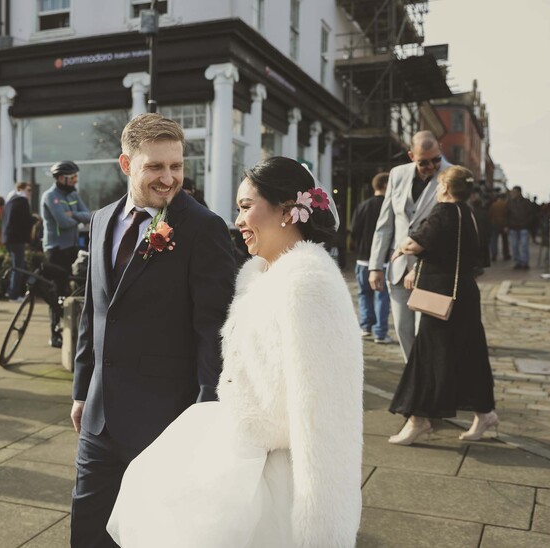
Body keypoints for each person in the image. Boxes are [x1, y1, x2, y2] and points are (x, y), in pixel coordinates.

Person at [107, 156, 363, 547]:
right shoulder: (262, 275)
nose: (238, 220)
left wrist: (323, 531)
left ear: (285, 210)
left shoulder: (307, 285)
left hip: (276, 478)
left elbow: (327, 419)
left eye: (246, 207)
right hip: (237, 445)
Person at [70, 113, 236, 548]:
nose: (169, 178)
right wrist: (81, 389)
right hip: (98, 416)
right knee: (87, 530)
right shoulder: (101, 219)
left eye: (176, 166)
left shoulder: (204, 228)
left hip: (164, 419)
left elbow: (213, 331)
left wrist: (207, 415)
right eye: (155, 167)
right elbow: (95, 313)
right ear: (126, 165)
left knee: (153, 536)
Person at [388, 166, 498, 445]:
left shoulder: (444, 211)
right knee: (468, 354)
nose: (437, 190)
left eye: (439, 186)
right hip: (465, 294)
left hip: (441, 296)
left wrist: (402, 247)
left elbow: (417, 243)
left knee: (427, 357)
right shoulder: (471, 214)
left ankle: (418, 420)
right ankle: (484, 412)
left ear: (446, 189)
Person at [368, 130, 452, 361]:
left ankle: (426, 383)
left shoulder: (451, 174)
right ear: (411, 155)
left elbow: (450, 231)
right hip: (398, 269)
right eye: (424, 162)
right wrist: (375, 265)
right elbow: (385, 224)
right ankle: (413, 380)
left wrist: (421, 265)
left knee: (424, 332)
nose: (432, 166)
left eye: (436, 159)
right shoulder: (397, 174)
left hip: (431, 270)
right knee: (404, 332)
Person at [42, 160, 91, 347]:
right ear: (61, 178)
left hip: (71, 248)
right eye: (73, 177)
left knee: (78, 285)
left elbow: (88, 215)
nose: (75, 180)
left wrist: (73, 215)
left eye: (76, 177)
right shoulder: (50, 196)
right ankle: (54, 332)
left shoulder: (72, 194)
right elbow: (62, 222)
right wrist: (75, 217)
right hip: (55, 250)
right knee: (58, 290)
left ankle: (75, 327)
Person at [351, 172, 392, 344]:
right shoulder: (390, 206)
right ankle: (380, 333)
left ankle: (366, 327)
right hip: (383, 260)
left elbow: (354, 231)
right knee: (382, 296)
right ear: (384, 185)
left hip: (363, 259)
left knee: (364, 294)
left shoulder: (363, 206)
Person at [2, 182, 34, 301]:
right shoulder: (22, 201)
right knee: (18, 267)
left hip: (8, 238)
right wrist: (29, 239)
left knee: (17, 266)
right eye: (28, 190)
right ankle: (13, 294)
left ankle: (12, 291)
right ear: (21, 189)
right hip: (17, 239)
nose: (30, 193)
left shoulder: (10, 201)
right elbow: (26, 222)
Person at [506, 185, 535, 270]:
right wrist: (507, 225)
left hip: (524, 227)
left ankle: (525, 262)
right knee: (514, 246)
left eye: (514, 192)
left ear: (519, 192)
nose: (512, 193)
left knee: (524, 245)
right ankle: (517, 262)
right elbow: (507, 215)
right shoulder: (510, 202)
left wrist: (527, 223)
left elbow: (532, 214)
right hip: (513, 227)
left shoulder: (526, 202)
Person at [488, 192, 510, 261]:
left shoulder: (493, 205)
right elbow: (508, 215)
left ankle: (494, 255)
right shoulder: (506, 205)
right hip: (504, 225)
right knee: (505, 241)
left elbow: (490, 215)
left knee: (494, 240)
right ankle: (506, 254)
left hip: (494, 224)